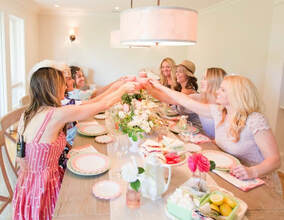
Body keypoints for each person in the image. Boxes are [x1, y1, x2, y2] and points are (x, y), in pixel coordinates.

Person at [12, 65, 137, 220]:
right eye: (61, 83)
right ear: (51, 88)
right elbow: (101, 105)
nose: (65, 86)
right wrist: (124, 89)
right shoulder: (55, 115)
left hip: (26, 184)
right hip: (44, 187)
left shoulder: (28, 113)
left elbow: (20, 153)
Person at [146, 75, 281, 194]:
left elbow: (275, 160)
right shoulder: (219, 112)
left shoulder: (254, 120)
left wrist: (252, 172)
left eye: (222, 90)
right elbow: (185, 101)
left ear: (236, 94)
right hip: (230, 176)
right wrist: (158, 86)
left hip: (258, 182)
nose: (217, 92)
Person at [190, 67, 227, 139]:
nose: (201, 82)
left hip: (218, 147)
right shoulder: (202, 97)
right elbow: (181, 98)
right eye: (202, 78)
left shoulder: (222, 106)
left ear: (215, 81)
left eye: (205, 79)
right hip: (206, 140)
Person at [174, 60, 202, 131]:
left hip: (195, 130)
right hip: (185, 127)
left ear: (188, 75)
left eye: (180, 72)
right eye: (176, 71)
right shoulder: (183, 89)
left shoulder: (189, 92)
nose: (177, 74)